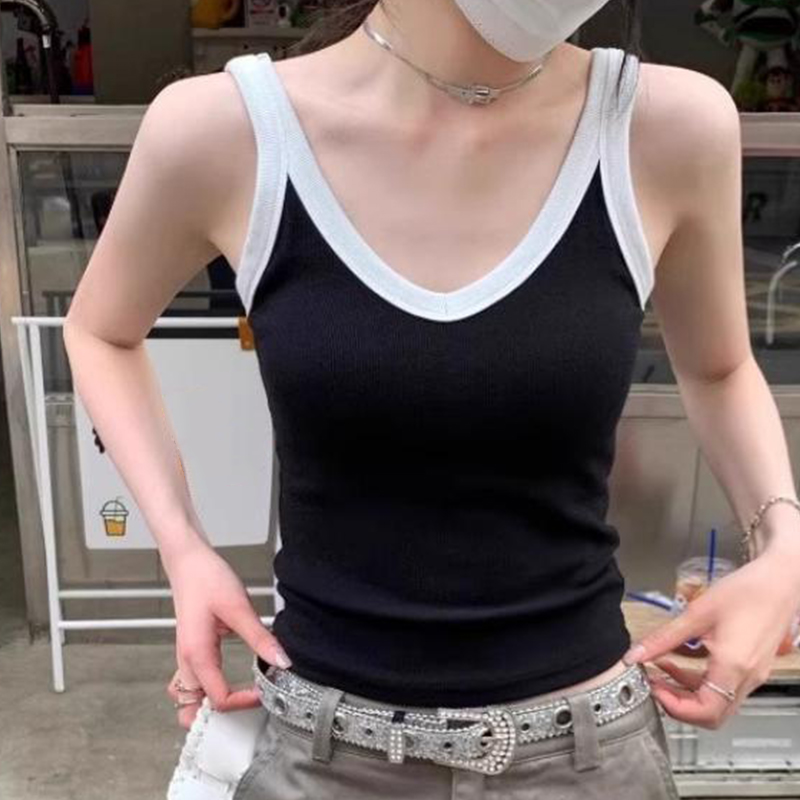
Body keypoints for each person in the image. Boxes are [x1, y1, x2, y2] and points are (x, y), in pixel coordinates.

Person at [62, 0, 800, 798]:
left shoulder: (664, 125)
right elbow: (100, 329)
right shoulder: (228, 129)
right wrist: (182, 548)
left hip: (587, 756)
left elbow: (719, 368)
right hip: (324, 755)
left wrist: (785, 548)